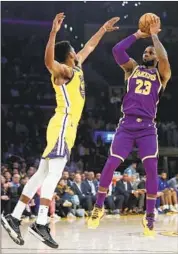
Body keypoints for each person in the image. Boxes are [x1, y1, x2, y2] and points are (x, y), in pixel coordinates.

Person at [1, 13, 120, 249]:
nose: (79, 52)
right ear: (69, 55)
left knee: (41, 174)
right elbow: (48, 62)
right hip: (63, 123)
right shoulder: (64, 72)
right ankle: (41, 221)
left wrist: (103, 29)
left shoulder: (77, 68)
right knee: (54, 174)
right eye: (75, 50)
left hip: (67, 126)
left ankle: (14, 217)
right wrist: (53, 34)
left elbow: (91, 45)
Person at [88, 16, 171, 237]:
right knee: (111, 163)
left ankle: (150, 216)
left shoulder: (162, 75)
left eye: (150, 52)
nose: (147, 54)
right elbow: (117, 51)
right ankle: (99, 206)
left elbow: (164, 57)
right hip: (126, 125)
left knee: (152, 169)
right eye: (145, 52)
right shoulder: (132, 69)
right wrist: (137, 35)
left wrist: (154, 36)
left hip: (147, 128)